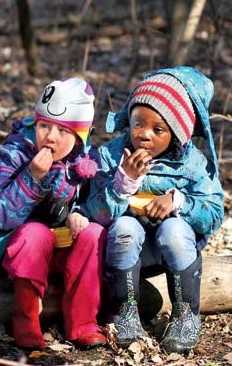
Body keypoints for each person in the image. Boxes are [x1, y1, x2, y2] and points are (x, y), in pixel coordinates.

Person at [83, 66, 224, 353]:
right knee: (124, 226)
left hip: (172, 249)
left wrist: (179, 202)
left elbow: (214, 214)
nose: (144, 135)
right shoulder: (111, 155)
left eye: (157, 129)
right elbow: (93, 213)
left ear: (177, 132)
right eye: (138, 124)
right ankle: (125, 311)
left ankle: (186, 315)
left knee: (173, 228)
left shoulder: (194, 164)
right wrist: (123, 183)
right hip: (125, 250)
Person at [0, 78, 107, 350]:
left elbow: (98, 205)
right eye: (44, 126)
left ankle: (83, 324)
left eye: (62, 131)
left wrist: (80, 213)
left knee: (94, 234)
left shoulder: (85, 162)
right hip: (18, 247)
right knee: (35, 233)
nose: (50, 137)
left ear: (80, 136)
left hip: (64, 247)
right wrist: (32, 177)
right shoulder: (16, 152)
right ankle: (26, 324)